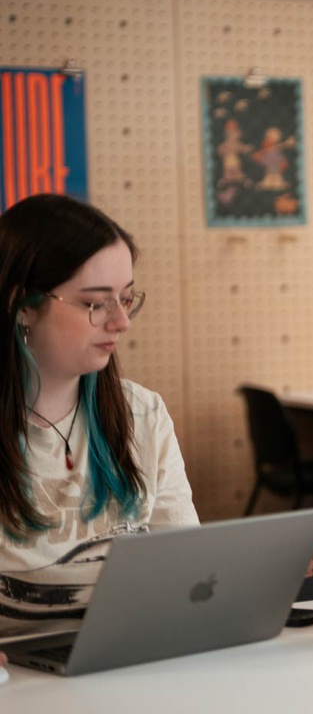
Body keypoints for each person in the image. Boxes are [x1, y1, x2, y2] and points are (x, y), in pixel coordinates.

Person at [0, 194, 199, 634]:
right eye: (96, 303)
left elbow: (186, 567)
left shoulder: (142, 415)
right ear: (25, 305)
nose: (122, 322)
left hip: (129, 666)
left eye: (126, 298)